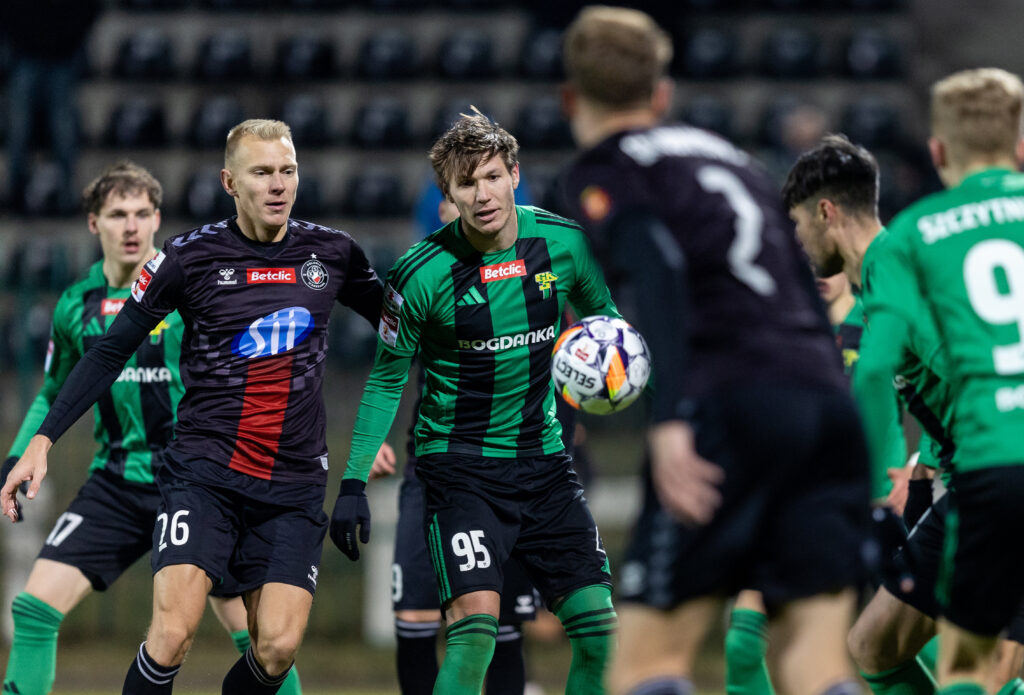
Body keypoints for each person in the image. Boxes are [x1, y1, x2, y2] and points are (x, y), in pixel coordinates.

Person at [2, 119, 384, 694]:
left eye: (288, 171)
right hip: (200, 476)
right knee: (171, 634)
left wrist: (368, 446)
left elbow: (405, 332)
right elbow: (107, 353)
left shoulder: (333, 252)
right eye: (262, 172)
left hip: (293, 483)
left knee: (275, 648)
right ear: (230, 183)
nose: (278, 185)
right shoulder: (186, 259)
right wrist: (39, 442)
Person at [559, 6, 870, 695]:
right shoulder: (736, 160)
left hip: (730, 401)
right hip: (824, 401)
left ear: (570, 99)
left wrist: (670, 419)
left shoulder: (607, 168)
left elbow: (661, 271)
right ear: (662, 94)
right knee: (816, 663)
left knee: (645, 666)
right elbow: (803, 285)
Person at [332, 109, 620, 695]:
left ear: (514, 174)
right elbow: (387, 379)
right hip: (460, 472)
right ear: (447, 195)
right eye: (466, 183)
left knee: (600, 636)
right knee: (475, 631)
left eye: (491, 176)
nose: (482, 194)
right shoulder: (418, 274)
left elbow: (607, 329)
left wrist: (625, 381)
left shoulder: (564, 244)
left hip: (544, 466)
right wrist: (353, 482)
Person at [784, 132, 1024, 695]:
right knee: (875, 646)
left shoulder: (895, 272)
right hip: (972, 478)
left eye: (796, 225)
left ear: (825, 212)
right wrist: (930, 456)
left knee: (983, 674)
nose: (796, 243)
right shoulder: (889, 273)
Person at [850, 67, 1024, 695]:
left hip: (995, 468)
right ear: (1020, 145)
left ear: (939, 151)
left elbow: (874, 368)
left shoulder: (913, 235)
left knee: (969, 671)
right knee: (877, 645)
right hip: (987, 469)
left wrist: (881, 487)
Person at [371, 196, 541, 695]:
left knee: (500, 628)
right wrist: (376, 439)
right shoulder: (420, 278)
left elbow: (563, 374)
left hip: (510, 475)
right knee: (415, 619)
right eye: (450, 193)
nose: (462, 202)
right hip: (430, 475)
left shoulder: (536, 271)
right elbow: (388, 370)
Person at [723, 268, 865, 695]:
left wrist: (925, 461)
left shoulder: (880, 319)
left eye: (826, 259)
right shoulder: (779, 328)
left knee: (897, 644)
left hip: (870, 505)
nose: (817, 270)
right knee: (743, 643)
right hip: (792, 504)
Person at [0, 0, 99, 213]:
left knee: (63, 130)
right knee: (18, 128)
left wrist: (69, 39)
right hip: (24, 56)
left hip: (61, 57)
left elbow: (89, 4)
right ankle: (16, 191)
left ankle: (66, 194)